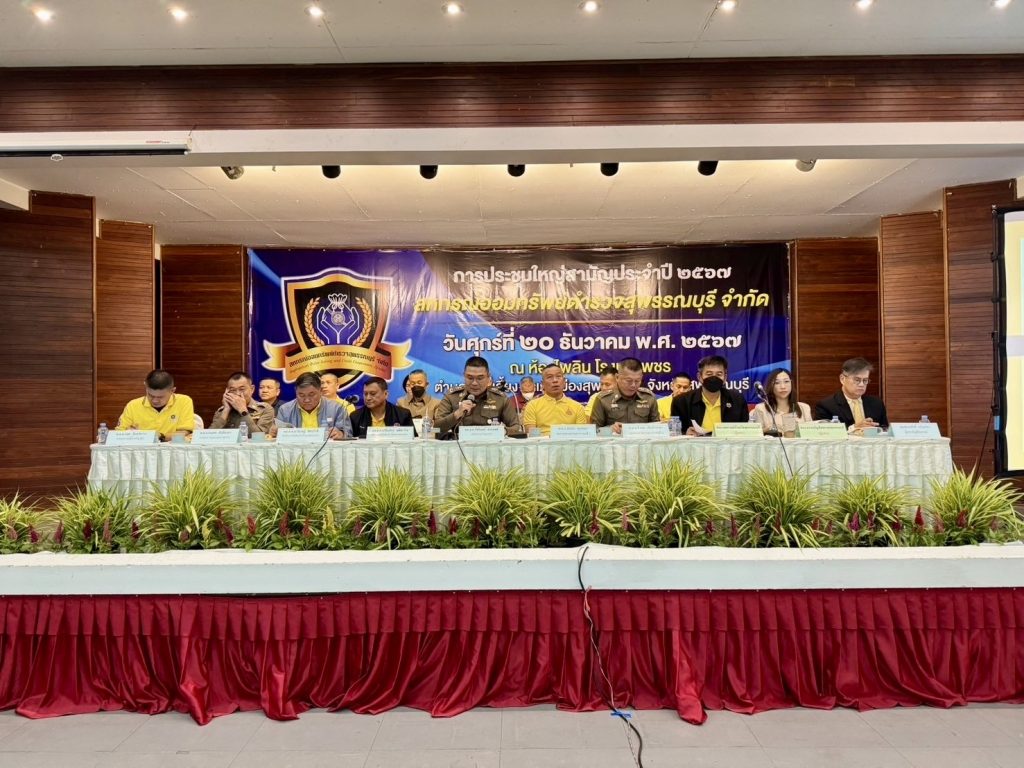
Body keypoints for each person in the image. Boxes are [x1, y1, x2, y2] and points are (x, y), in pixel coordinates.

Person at [433, 355, 522, 438]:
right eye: (470, 378)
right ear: (464, 376)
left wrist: (502, 431)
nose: (474, 383)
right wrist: (457, 414)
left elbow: (516, 427)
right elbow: (436, 430)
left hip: (491, 446)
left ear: (488, 377)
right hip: (460, 447)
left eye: (480, 378)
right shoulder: (451, 396)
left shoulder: (500, 398)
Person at [671, 355, 748, 435]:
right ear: (699, 377)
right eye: (709, 374)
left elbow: (746, 431)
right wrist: (685, 433)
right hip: (694, 442)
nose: (714, 378)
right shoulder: (681, 401)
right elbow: (674, 433)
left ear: (725, 378)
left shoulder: (737, 400)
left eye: (719, 374)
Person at [115, 369, 194, 442]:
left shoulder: (184, 401)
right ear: (146, 387)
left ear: (172, 391)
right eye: (150, 395)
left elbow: (185, 432)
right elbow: (119, 433)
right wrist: (130, 434)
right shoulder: (133, 405)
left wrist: (160, 437)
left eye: (160, 397)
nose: (155, 400)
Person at [815, 357, 888, 432]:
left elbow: (885, 429)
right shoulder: (826, 406)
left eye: (865, 380)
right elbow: (823, 433)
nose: (861, 384)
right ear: (842, 379)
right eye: (857, 380)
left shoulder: (877, 403)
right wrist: (854, 428)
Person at [590, 357, 660, 434]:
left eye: (637, 381)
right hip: (613, 441)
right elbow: (593, 432)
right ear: (617, 377)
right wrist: (609, 430)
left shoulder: (649, 398)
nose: (633, 385)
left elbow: (657, 430)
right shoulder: (603, 400)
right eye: (629, 381)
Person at [273, 372, 352, 439]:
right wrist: (275, 433)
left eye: (311, 394)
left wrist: (341, 434)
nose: (307, 400)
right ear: (296, 392)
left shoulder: (337, 408)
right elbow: (278, 437)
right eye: (301, 395)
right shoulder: (285, 410)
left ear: (320, 391)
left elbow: (348, 433)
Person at [521, 363, 589, 436]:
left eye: (558, 376)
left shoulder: (578, 407)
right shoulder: (532, 406)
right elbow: (533, 437)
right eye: (550, 377)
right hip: (542, 443)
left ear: (564, 382)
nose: (555, 380)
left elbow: (581, 437)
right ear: (543, 384)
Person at [750, 368, 812, 436]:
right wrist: (766, 430)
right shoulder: (761, 409)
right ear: (771, 386)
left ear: (791, 383)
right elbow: (756, 436)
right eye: (777, 383)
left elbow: (811, 435)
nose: (783, 387)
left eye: (786, 381)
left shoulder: (804, 408)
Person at [209, 372, 276, 434]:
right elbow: (210, 436)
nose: (237, 394)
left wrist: (243, 411)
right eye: (232, 390)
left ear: (252, 389)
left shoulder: (265, 409)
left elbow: (259, 437)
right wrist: (226, 410)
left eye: (242, 389)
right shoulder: (221, 411)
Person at [349, 377, 415, 438]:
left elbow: (414, 442)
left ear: (386, 394)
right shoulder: (355, 417)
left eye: (373, 394)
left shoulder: (403, 415)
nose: (368, 398)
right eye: (365, 394)